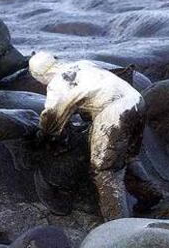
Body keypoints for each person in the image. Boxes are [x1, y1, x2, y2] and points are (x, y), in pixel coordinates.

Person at [28, 51, 158, 221]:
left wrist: (42, 136)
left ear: (38, 75)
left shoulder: (57, 85)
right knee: (127, 156)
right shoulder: (83, 64)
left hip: (116, 113)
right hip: (136, 101)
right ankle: (150, 196)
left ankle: (117, 223)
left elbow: (51, 118)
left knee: (105, 170)